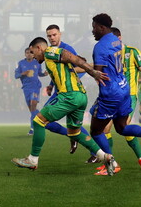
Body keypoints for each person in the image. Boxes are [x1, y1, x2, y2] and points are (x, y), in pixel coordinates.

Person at [11, 36, 110, 171]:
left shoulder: (49, 52)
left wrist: (92, 72)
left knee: (38, 121)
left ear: (39, 48)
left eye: (33, 52)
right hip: (81, 96)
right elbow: (72, 62)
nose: (33, 57)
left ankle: (32, 159)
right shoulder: (50, 61)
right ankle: (105, 157)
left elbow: (69, 56)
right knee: (74, 133)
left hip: (69, 96)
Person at [88, 15, 141, 177]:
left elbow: (98, 73)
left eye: (94, 27)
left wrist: (81, 65)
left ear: (102, 28)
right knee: (122, 128)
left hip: (110, 93)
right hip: (125, 89)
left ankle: (112, 162)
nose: (92, 30)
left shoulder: (99, 47)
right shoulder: (116, 41)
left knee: (96, 130)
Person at [103, 27, 141, 171]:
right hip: (113, 96)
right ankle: (110, 163)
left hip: (129, 95)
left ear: (119, 38)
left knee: (125, 126)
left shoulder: (133, 52)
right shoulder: (110, 55)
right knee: (106, 128)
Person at [41, 24, 94, 155]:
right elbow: (57, 72)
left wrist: (75, 80)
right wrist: (51, 85)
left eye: (54, 35)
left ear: (60, 34)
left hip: (70, 92)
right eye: (49, 36)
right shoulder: (50, 50)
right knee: (45, 122)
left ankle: (93, 151)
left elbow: (80, 66)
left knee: (42, 119)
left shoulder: (67, 49)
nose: (52, 38)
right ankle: (73, 136)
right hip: (58, 92)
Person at [15, 47, 45, 135]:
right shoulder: (21, 63)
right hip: (26, 88)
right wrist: (23, 73)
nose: (29, 54)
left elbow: (39, 73)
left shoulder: (37, 63)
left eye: (31, 53)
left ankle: (32, 129)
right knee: (32, 110)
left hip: (35, 87)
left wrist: (44, 74)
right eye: (27, 53)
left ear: (33, 54)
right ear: (25, 54)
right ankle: (42, 118)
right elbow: (16, 75)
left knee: (33, 104)